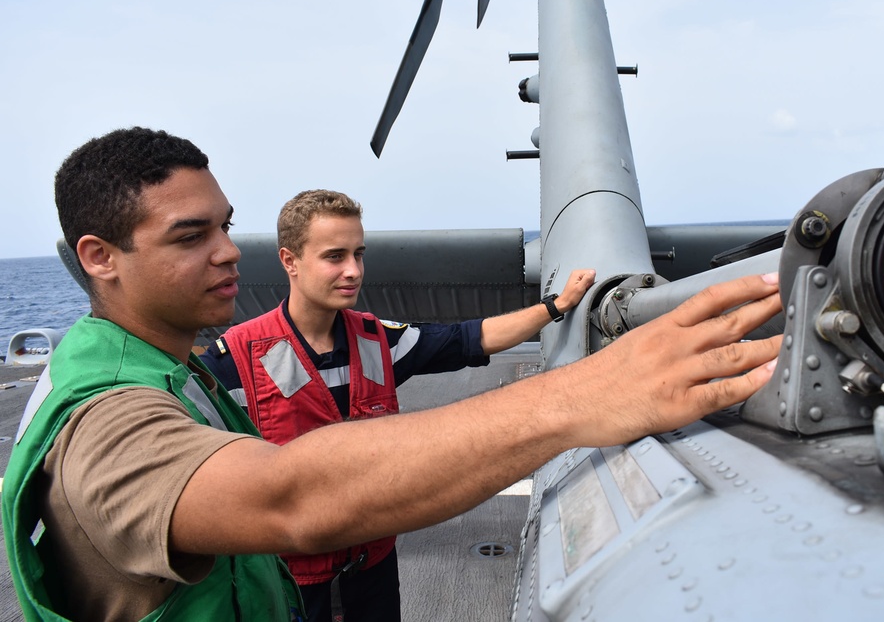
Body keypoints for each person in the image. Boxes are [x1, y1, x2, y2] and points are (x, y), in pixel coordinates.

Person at [1, 127, 782, 622]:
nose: (226, 251)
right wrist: (589, 394)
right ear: (99, 257)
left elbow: (464, 340)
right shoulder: (108, 416)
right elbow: (292, 497)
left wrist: (555, 310)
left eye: (225, 226)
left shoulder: (186, 367)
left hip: (361, 571)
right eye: (189, 235)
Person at [198, 188, 596, 622]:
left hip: (372, 577)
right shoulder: (232, 362)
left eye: (359, 254)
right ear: (290, 261)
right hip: (290, 587)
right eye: (335, 256)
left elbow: (470, 338)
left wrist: (554, 307)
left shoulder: (378, 340)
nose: (353, 271)